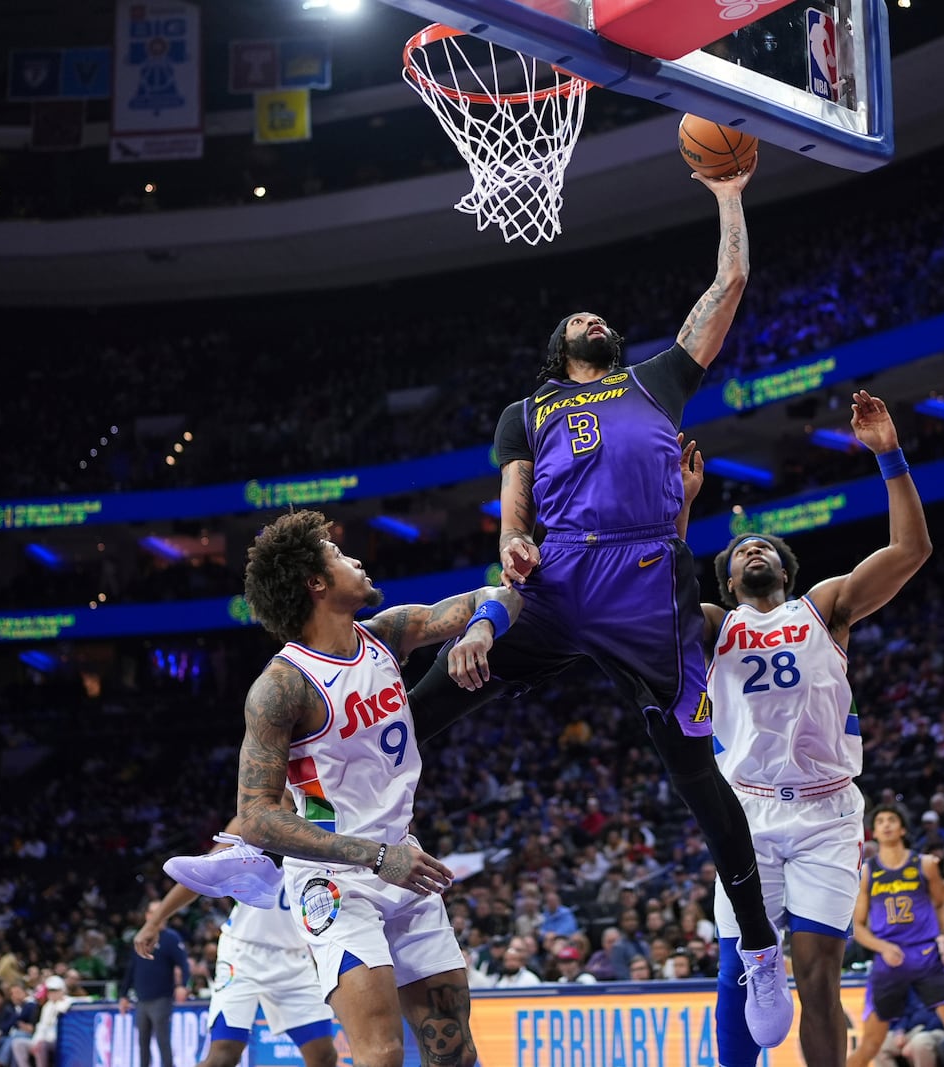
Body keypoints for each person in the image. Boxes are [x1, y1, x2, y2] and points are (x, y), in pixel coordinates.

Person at [400, 159, 795, 1048]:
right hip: (563, 574)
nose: (595, 316)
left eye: (600, 315)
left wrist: (728, 197)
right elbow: (514, 510)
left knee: (692, 767)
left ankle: (760, 943)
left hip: (650, 578)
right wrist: (509, 550)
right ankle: (332, 801)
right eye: (579, 317)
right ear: (557, 347)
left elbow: (728, 284)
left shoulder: (657, 379)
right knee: (441, 684)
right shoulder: (527, 410)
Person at [678, 389, 934, 1067]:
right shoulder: (714, 623)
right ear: (731, 581)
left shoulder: (825, 606)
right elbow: (659, 599)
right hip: (749, 809)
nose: (752, 552)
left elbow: (911, 548)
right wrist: (679, 506)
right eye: (740, 553)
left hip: (826, 811)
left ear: (784, 573)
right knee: (739, 974)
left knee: (819, 977)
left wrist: (889, 455)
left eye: (763, 548)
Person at [231, 509, 526, 1067]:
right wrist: (374, 855)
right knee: (382, 1054)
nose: (356, 559)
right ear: (316, 584)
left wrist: (482, 628)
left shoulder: (388, 635)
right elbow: (255, 816)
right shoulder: (281, 686)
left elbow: (501, 594)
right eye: (339, 555)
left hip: (403, 862)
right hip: (336, 878)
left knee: (455, 1053)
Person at [135, 814, 337, 1067]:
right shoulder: (255, 817)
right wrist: (156, 921)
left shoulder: (328, 813)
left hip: (295, 956)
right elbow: (203, 873)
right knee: (224, 1055)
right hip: (243, 952)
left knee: (324, 1056)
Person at [846, 807, 944, 1067]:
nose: (886, 825)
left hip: (926, 957)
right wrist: (882, 947)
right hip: (890, 960)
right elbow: (858, 928)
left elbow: (939, 905)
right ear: (874, 832)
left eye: (892, 820)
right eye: (880, 821)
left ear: (903, 829)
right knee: (871, 1045)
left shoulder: (925, 864)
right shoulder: (868, 873)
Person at [118, 903, 190, 1067]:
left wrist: (182, 985)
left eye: (159, 912)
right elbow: (132, 968)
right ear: (146, 916)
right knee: (142, 1042)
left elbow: (183, 964)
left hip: (161, 998)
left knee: (162, 1040)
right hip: (141, 999)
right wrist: (123, 995)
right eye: (152, 912)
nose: (155, 916)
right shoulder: (141, 937)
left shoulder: (171, 937)